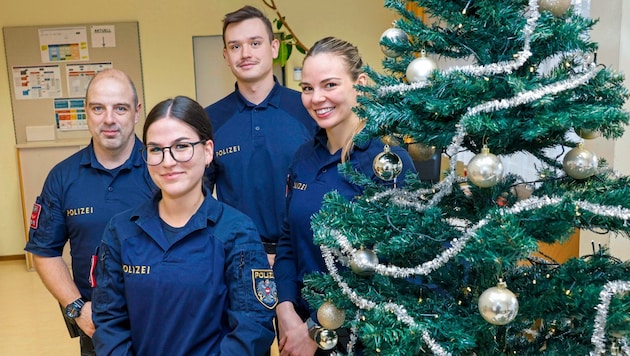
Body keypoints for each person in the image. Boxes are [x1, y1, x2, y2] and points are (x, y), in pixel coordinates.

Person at [91, 96, 276, 355]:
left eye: (181, 146)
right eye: (156, 149)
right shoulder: (121, 231)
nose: (167, 162)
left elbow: (252, 329)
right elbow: (109, 324)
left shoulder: (237, 231)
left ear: (208, 150)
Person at [273, 37, 417, 355]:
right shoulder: (302, 158)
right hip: (297, 335)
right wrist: (284, 309)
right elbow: (288, 240)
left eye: (330, 84)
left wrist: (314, 328)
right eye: (308, 88)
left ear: (360, 84)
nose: (316, 98)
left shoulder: (388, 163)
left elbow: (394, 265)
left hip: (362, 338)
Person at [24, 68, 156, 355]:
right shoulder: (62, 177)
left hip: (164, 323)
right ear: (86, 111)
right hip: (98, 327)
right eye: (98, 108)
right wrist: (77, 309)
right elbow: (45, 251)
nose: (109, 119)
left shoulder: (161, 170)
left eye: (120, 108)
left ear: (136, 112)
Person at [205, 5, 317, 266]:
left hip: (305, 255)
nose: (245, 54)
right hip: (235, 257)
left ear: (274, 48)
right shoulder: (210, 119)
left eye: (255, 43)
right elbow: (197, 195)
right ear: (225, 55)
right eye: (235, 46)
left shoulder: (307, 109)